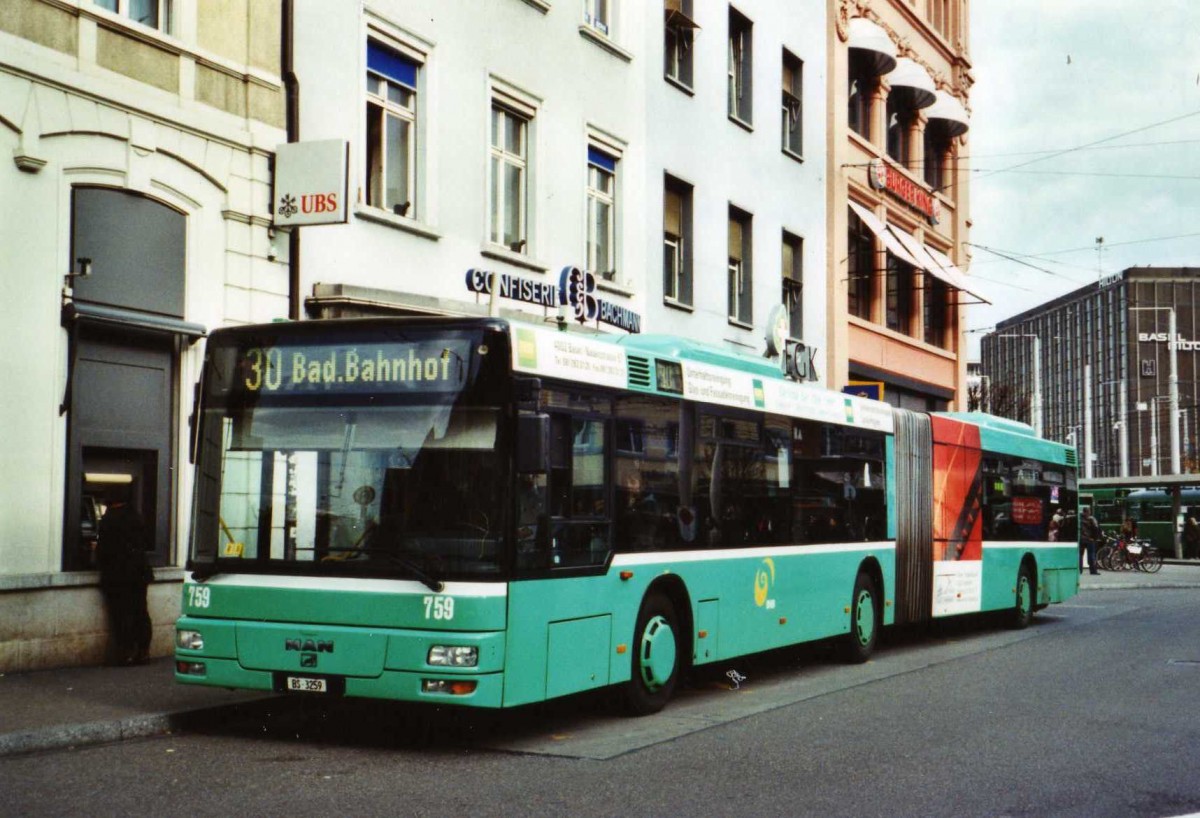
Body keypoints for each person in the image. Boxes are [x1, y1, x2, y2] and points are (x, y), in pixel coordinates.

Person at [97, 489, 153, 665]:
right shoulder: (136, 516)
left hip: (118, 575)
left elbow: (102, 551)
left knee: (121, 614)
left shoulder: (108, 520)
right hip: (139, 574)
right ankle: (143, 651)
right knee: (140, 612)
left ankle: (126, 652)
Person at [1079, 506, 1101, 575]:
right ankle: (1093, 570)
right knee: (1091, 555)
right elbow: (1096, 529)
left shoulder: (1080, 519)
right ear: (1088, 512)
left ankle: (1080, 570)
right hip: (1089, 539)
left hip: (1081, 539)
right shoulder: (1092, 519)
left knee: (1080, 555)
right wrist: (1094, 538)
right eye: (1089, 511)